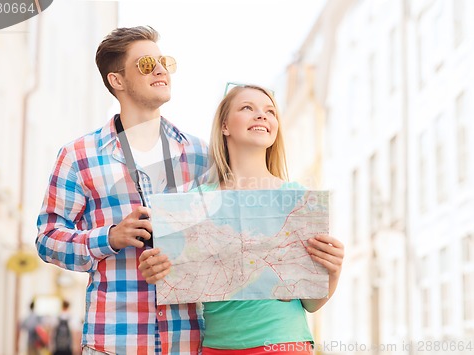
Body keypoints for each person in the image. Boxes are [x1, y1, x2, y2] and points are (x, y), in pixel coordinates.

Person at [35, 25, 209, 354]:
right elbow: (47, 239)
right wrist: (110, 237)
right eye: (145, 64)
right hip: (114, 343)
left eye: (163, 62)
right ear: (117, 80)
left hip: (189, 341)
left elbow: (223, 237)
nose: (160, 70)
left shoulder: (201, 156)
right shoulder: (78, 156)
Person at [139, 84, 345, 354]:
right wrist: (155, 269)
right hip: (218, 347)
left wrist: (333, 272)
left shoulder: (298, 199)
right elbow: (177, 278)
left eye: (270, 111)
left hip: (284, 345)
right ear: (225, 126)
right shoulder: (194, 202)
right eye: (248, 108)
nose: (262, 115)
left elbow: (311, 303)